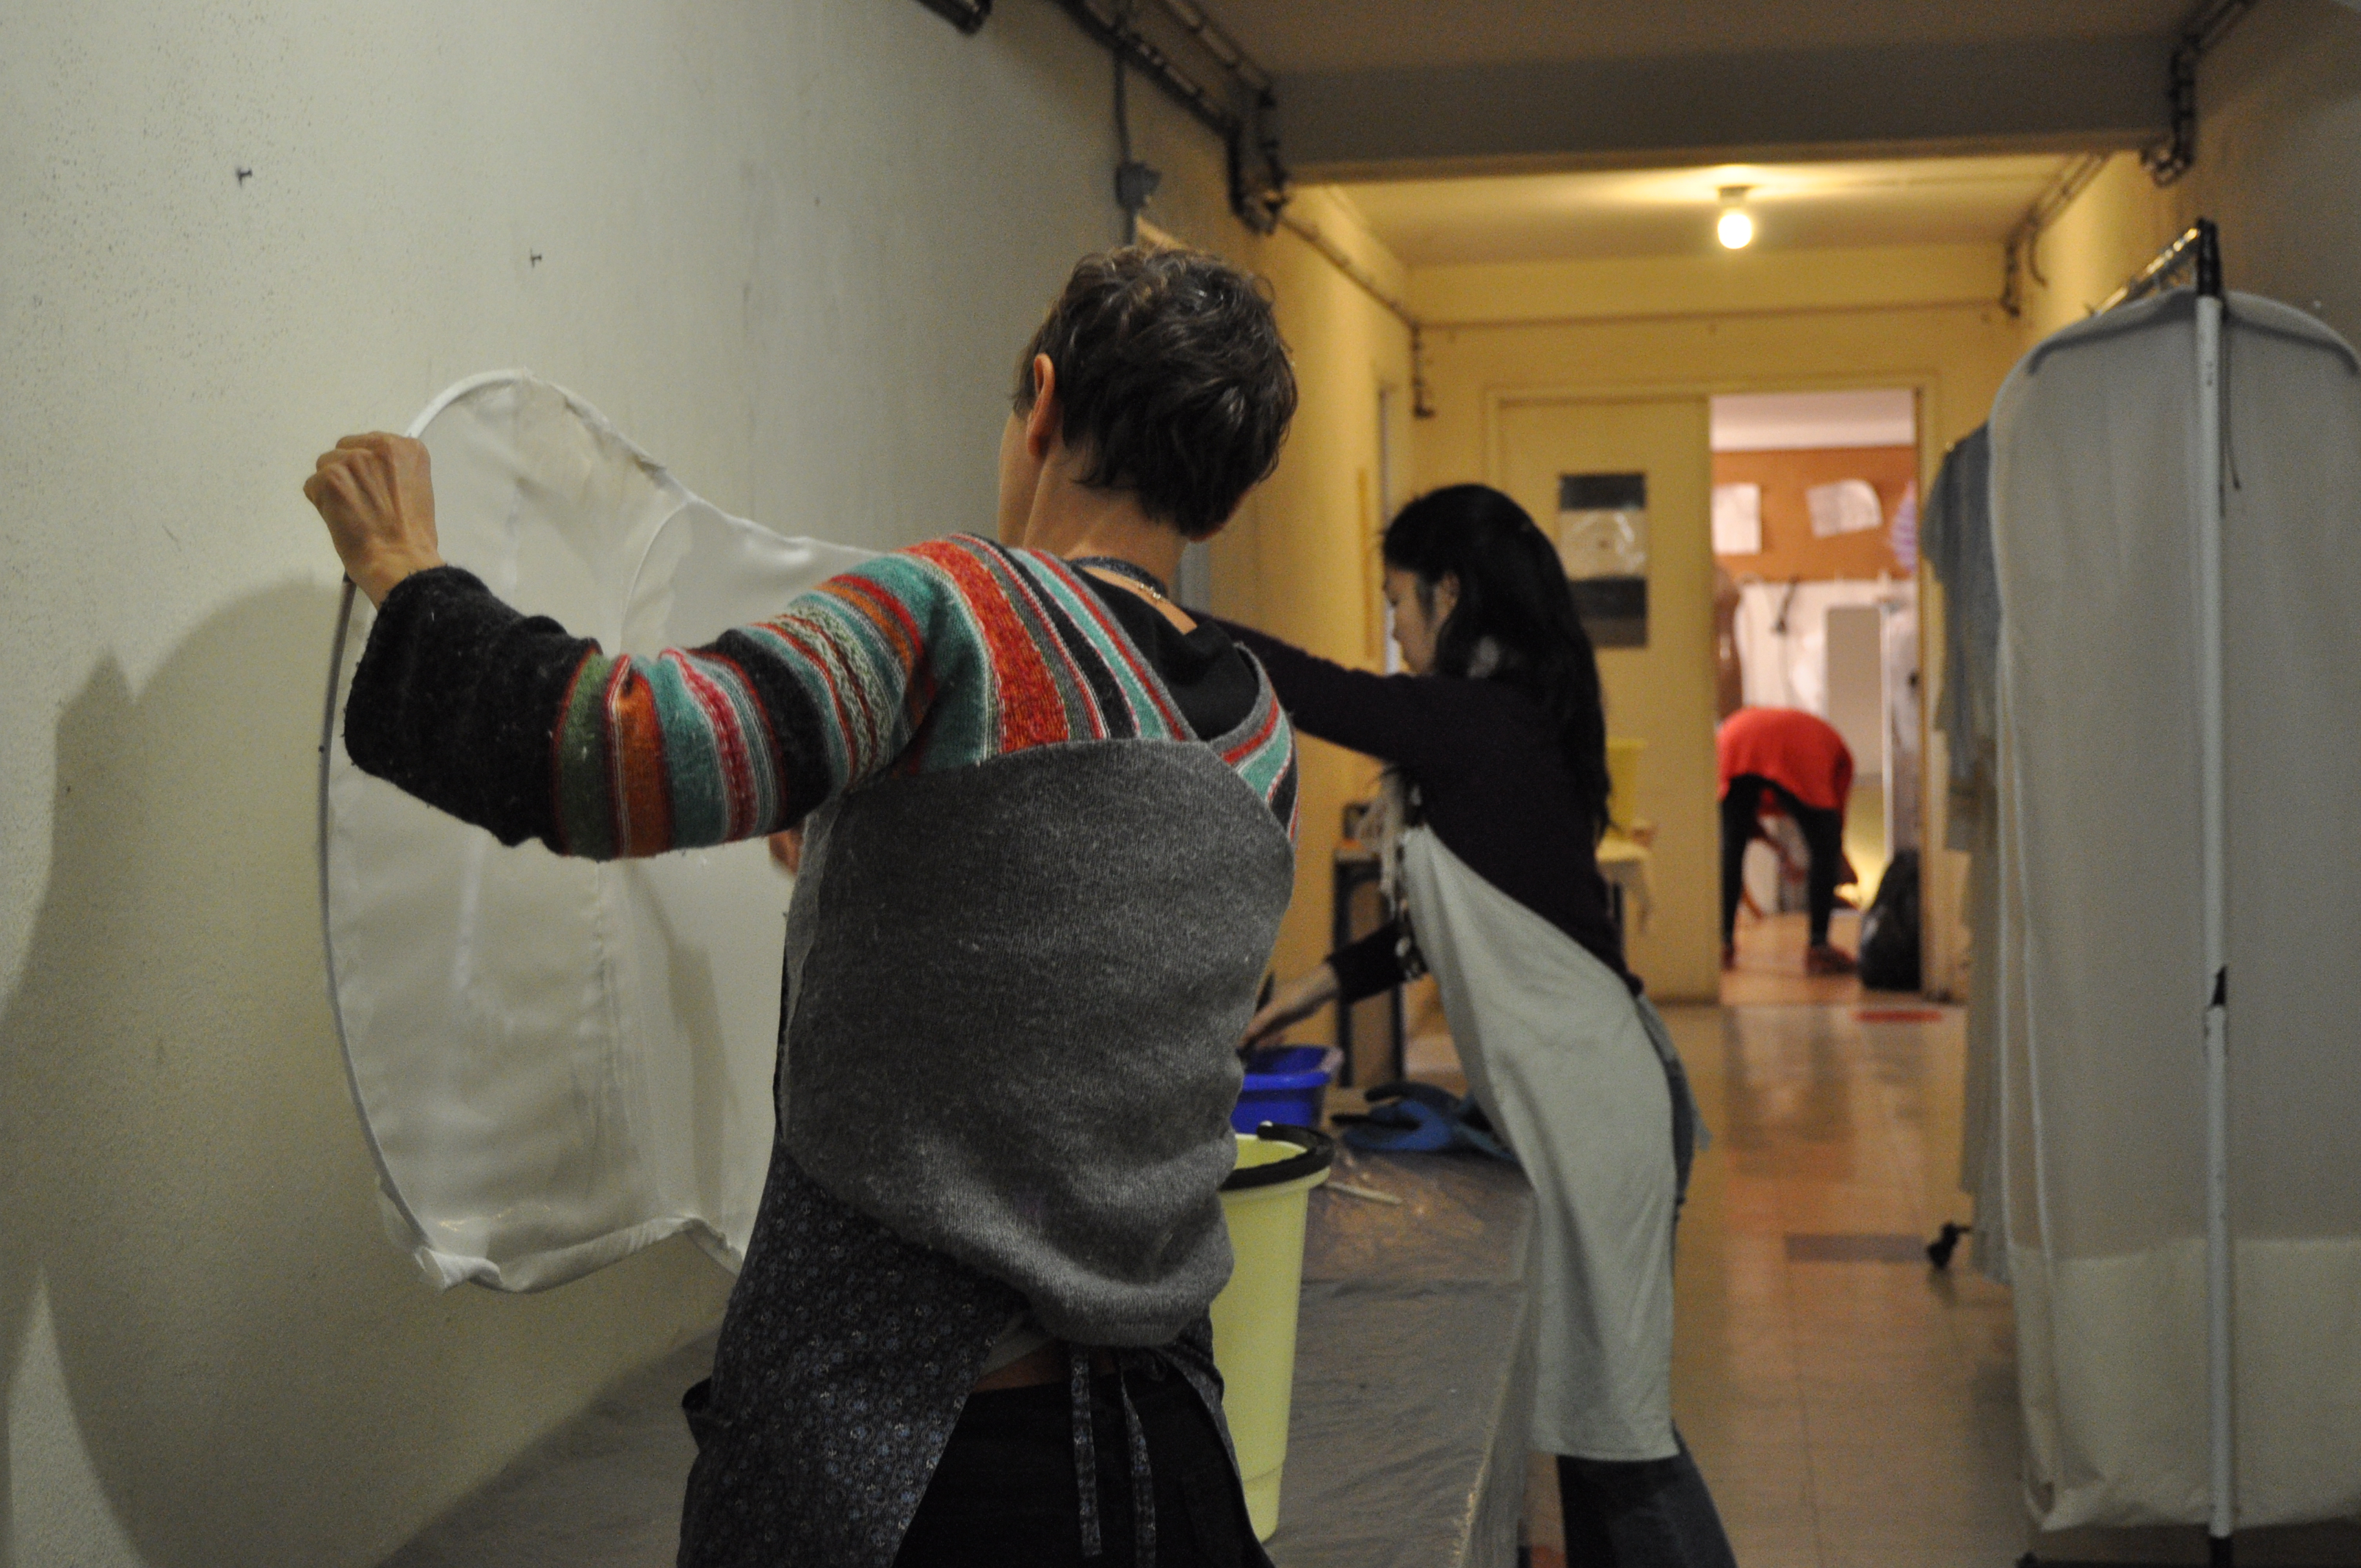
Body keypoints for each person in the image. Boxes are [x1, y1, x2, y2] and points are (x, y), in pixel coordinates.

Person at [304, 246, 1302, 1568]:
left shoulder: (958, 613)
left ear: (1044, 404)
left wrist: (409, 577)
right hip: (1161, 1467)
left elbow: (615, 752)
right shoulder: (1258, 733)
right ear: (1225, 485)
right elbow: (1072, 982)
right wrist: (863, 848)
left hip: (907, 1461)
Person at [1235, 484, 1736, 1568]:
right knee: (1597, 1427)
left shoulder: (1480, 723)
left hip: (1595, 1108)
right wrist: (1312, 989)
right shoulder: (1501, 725)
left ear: (1450, 593)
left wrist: (1147, 614)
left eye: (1398, 604)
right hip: (1582, 1095)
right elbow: (1445, 928)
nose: (1395, 631)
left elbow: (1315, 690)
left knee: (1621, 1439)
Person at [1717, 704, 1857, 974]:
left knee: (1732, 846)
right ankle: (1819, 946)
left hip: (1733, 737)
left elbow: (1745, 824)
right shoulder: (1839, 759)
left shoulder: (1817, 741)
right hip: (1797, 747)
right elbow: (1830, 826)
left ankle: (1723, 943)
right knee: (1825, 847)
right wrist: (1836, 853)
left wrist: (1780, 850)